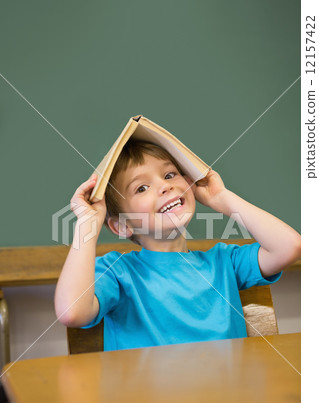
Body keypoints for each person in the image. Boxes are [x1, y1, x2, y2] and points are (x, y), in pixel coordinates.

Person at [54, 140, 301, 351]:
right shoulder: (119, 272)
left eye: (170, 174)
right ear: (122, 226)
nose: (165, 186)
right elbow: (72, 312)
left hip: (226, 400)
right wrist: (88, 223)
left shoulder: (223, 262)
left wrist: (221, 198)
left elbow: (289, 247)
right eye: (141, 188)